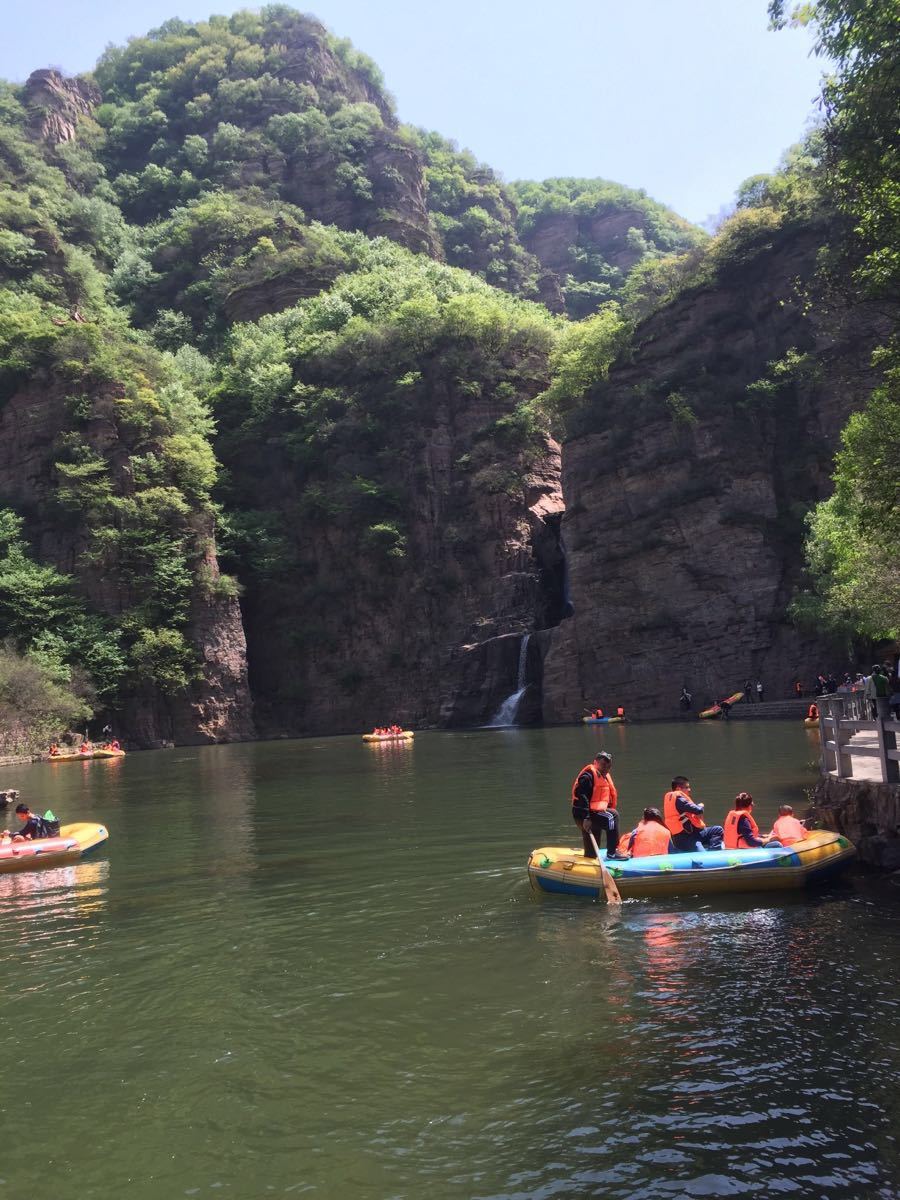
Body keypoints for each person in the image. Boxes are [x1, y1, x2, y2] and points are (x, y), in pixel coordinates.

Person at [571, 750, 628, 860]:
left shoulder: (604, 776)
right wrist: (586, 818)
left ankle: (589, 860)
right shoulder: (587, 777)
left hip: (594, 813)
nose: (605, 769)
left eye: (608, 767)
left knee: (592, 853)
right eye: (603, 765)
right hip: (583, 814)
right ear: (595, 763)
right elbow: (582, 797)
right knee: (613, 816)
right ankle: (612, 853)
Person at [663, 776, 724, 852]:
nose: (689, 790)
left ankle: (714, 853)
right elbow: (698, 810)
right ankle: (710, 858)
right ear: (678, 789)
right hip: (686, 839)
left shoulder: (674, 799)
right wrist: (701, 806)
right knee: (702, 855)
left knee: (717, 830)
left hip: (694, 834)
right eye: (687, 787)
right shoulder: (679, 799)